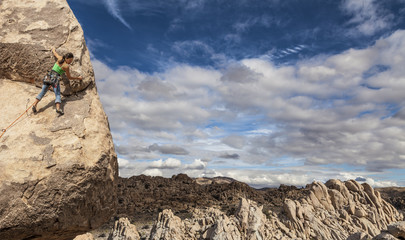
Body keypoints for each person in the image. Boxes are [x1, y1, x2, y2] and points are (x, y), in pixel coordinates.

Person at [32, 48, 83, 115]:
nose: (71, 62)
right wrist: (78, 78)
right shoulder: (66, 66)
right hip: (55, 79)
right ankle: (58, 108)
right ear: (67, 58)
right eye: (70, 60)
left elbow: (55, 54)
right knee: (57, 94)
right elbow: (69, 77)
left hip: (49, 76)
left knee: (43, 91)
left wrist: (53, 49)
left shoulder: (60, 58)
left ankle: (34, 104)